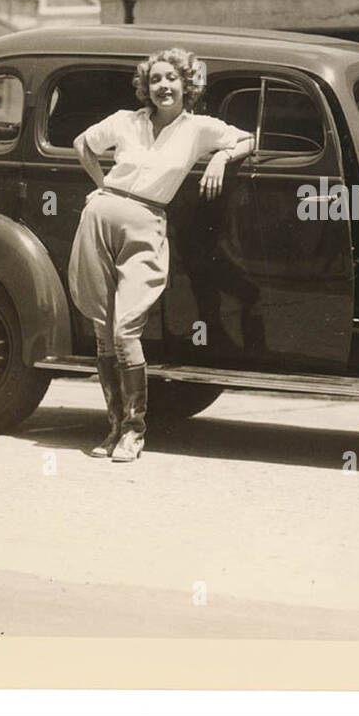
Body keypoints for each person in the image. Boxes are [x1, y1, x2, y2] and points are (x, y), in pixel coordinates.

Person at [67, 48, 254, 463]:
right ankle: (113, 425)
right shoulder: (125, 121)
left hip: (147, 223)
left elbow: (246, 138)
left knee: (124, 329)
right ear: (145, 87)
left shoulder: (199, 128)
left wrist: (221, 157)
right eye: (155, 80)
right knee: (101, 329)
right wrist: (101, 185)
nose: (163, 87)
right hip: (99, 215)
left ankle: (135, 430)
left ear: (187, 85)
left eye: (171, 79)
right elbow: (83, 144)